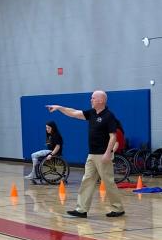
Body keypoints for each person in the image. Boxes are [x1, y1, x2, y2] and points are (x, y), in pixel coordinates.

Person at [47, 90, 125, 218]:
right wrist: (59, 108)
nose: (91, 100)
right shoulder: (92, 113)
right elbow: (73, 113)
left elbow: (113, 137)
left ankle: (118, 208)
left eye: (93, 98)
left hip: (103, 155)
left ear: (101, 100)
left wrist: (107, 153)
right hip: (92, 155)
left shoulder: (109, 116)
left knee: (108, 182)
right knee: (87, 181)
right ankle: (81, 209)